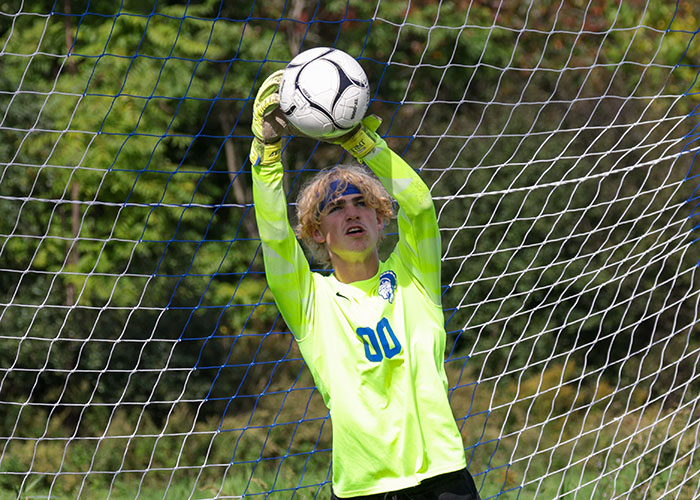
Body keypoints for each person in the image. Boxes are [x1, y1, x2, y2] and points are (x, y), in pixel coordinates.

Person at [249, 70, 481, 500]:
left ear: (379, 217)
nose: (352, 214)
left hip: (443, 479)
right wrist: (267, 158)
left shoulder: (414, 278)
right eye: (335, 208)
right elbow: (275, 239)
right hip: (362, 489)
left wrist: (364, 146)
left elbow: (421, 205)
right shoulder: (310, 303)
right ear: (317, 232)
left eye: (362, 204)